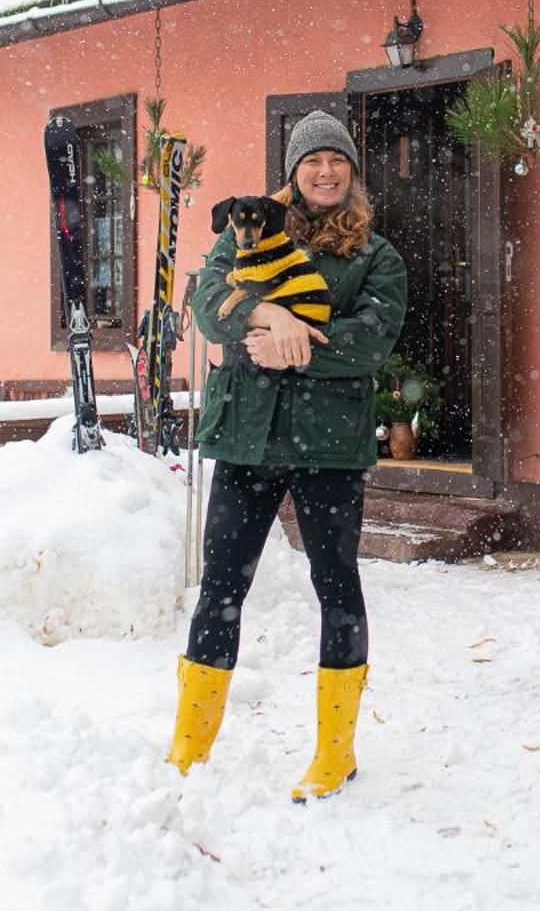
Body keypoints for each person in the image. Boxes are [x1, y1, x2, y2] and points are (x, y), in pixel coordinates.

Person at [165, 110, 408, 802]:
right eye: (311, 162)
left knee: (336, 586)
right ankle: (189, 741)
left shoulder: (376, 256)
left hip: (329, 446)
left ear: (351, 172)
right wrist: (263, 317)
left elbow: (372, 337)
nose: (325, 172)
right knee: (221, 587)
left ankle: (336, 751)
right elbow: (211, 303)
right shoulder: (249, 226)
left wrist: (294, 346)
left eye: (336, 161)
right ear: (293, 173)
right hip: (247, 437)